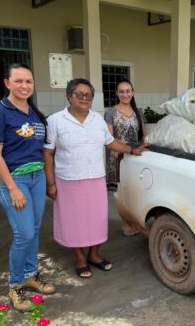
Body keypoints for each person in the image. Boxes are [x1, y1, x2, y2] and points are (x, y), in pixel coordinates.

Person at [43, 78, 148, 279]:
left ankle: (94, 254)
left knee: (96, 219)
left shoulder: (97, 119)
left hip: (95, 178)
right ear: (69, 96)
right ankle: (80, 258)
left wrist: (132, 150)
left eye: (88, 95)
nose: (84, 98)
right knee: (74, 221)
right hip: (69, 181)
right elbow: (48, 153)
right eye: (79, 94)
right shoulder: (55, 121)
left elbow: (110, 142)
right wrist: (50, 183)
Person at [0, 63, 55, 312]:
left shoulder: (33, 112)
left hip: (36, 177)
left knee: (34, 231)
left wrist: (47, 180)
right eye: (18, 81)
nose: (24, 86)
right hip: (16, 180)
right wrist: (13, 188)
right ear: (7, 83)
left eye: (28, 81)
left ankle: (29, 275)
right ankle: (15, 285)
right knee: (23, 234)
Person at [104, 79, 145, 236]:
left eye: (128, 91)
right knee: (122, 192)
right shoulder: (111, 112)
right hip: (118, 156)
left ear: (132, 92)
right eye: (121, 91)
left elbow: (144, 135)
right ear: (116, 93)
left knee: (135, 189)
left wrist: (143, 148)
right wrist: (128, 147)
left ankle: (135, 221)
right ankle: (125, 222)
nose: (125, 94)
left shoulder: (138, 112)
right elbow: (109, 137)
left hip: (136, 156)